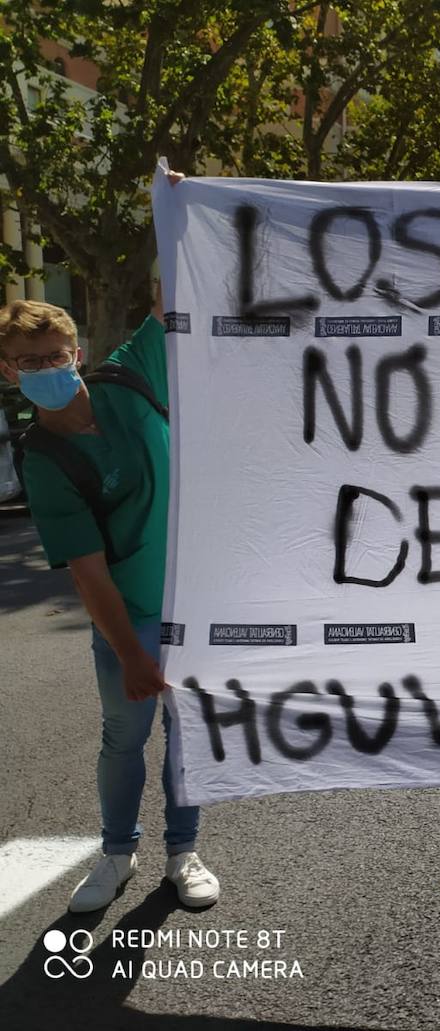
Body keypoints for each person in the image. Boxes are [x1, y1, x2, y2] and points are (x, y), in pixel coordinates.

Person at [0, 297, 220, 912]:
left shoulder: (128, 376)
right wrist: (129, 653)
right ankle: (117, 853)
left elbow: (170, 292)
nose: (44, 367)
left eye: (54, 355)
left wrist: (176, 197)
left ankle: (184, 853)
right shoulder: (43, 459)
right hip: (134, 617)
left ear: (79, 354)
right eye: (26, 361)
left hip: (199, 603)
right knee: (124, 738)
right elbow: (89, 574)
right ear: (7, 371)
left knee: (187, 733)